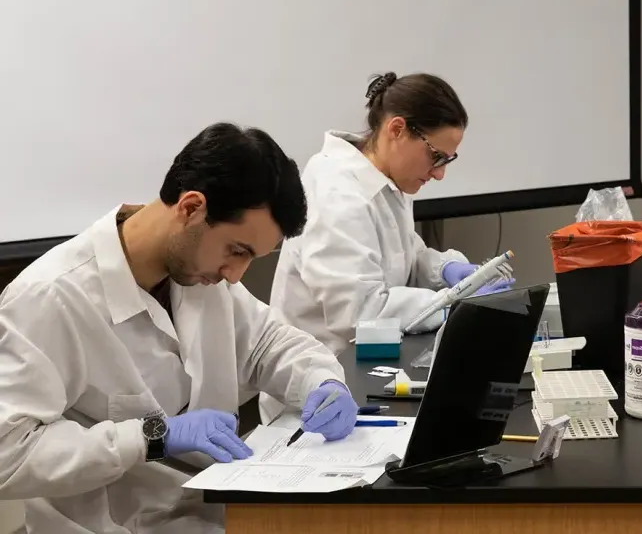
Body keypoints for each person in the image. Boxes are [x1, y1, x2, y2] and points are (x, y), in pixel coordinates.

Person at [0, 123, 360, 533]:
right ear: (191, 208)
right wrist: (152, 435)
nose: (236, 275)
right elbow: (8, 452)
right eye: (237, 251)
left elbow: (268, 343)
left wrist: (322, 382)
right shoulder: (51, 298)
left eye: (251, 258)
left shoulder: (195, 274)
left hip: (214, 512)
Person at [268, 72, 501, 361]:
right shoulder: (338, 193)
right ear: (397, 129)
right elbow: (359, 312)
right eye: (436, 156)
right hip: (319, 384)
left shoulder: (384, 180)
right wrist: (451, 303)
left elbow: (403, 254)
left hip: (367, 361)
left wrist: (445, 269)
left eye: (447, 160)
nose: (440, 174)